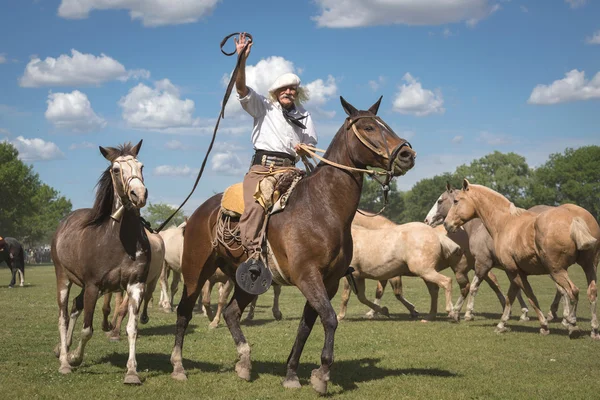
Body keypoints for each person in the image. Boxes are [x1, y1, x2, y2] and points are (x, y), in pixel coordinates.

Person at [234, 32, 318, 275]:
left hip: (291, 170)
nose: (288, 92)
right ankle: (252, 256)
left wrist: (306, 149)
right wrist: (241, 59)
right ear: (276, 92)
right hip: (262, 169)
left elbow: (311, 146)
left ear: (297, 93)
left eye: (292, 90)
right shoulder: (263, 106)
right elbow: (241, 88)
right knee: (255, 207)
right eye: (284, 89)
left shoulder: (304, 115)